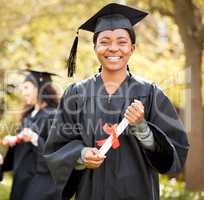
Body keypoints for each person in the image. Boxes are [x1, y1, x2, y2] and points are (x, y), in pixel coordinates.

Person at [44, 3, 189, 200]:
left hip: (138, 192)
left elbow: (174, 151)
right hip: (91, 192)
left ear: (132, 48)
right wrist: (81, 154)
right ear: (95, 47)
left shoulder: (150, 93)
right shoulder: (77, 94)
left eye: (121, 42)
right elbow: (57, 146)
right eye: (104, 41)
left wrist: (142, 127)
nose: (113, 48)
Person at [3, 70, 60, 200]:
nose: (23, 93)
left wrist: (34, 138)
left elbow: (56, 152)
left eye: (27, 87)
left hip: (41, 181)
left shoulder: (53, 115)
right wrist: (14, 140)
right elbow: (22, 145)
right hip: (22, 177)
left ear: (40, 88)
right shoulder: (28, 116)